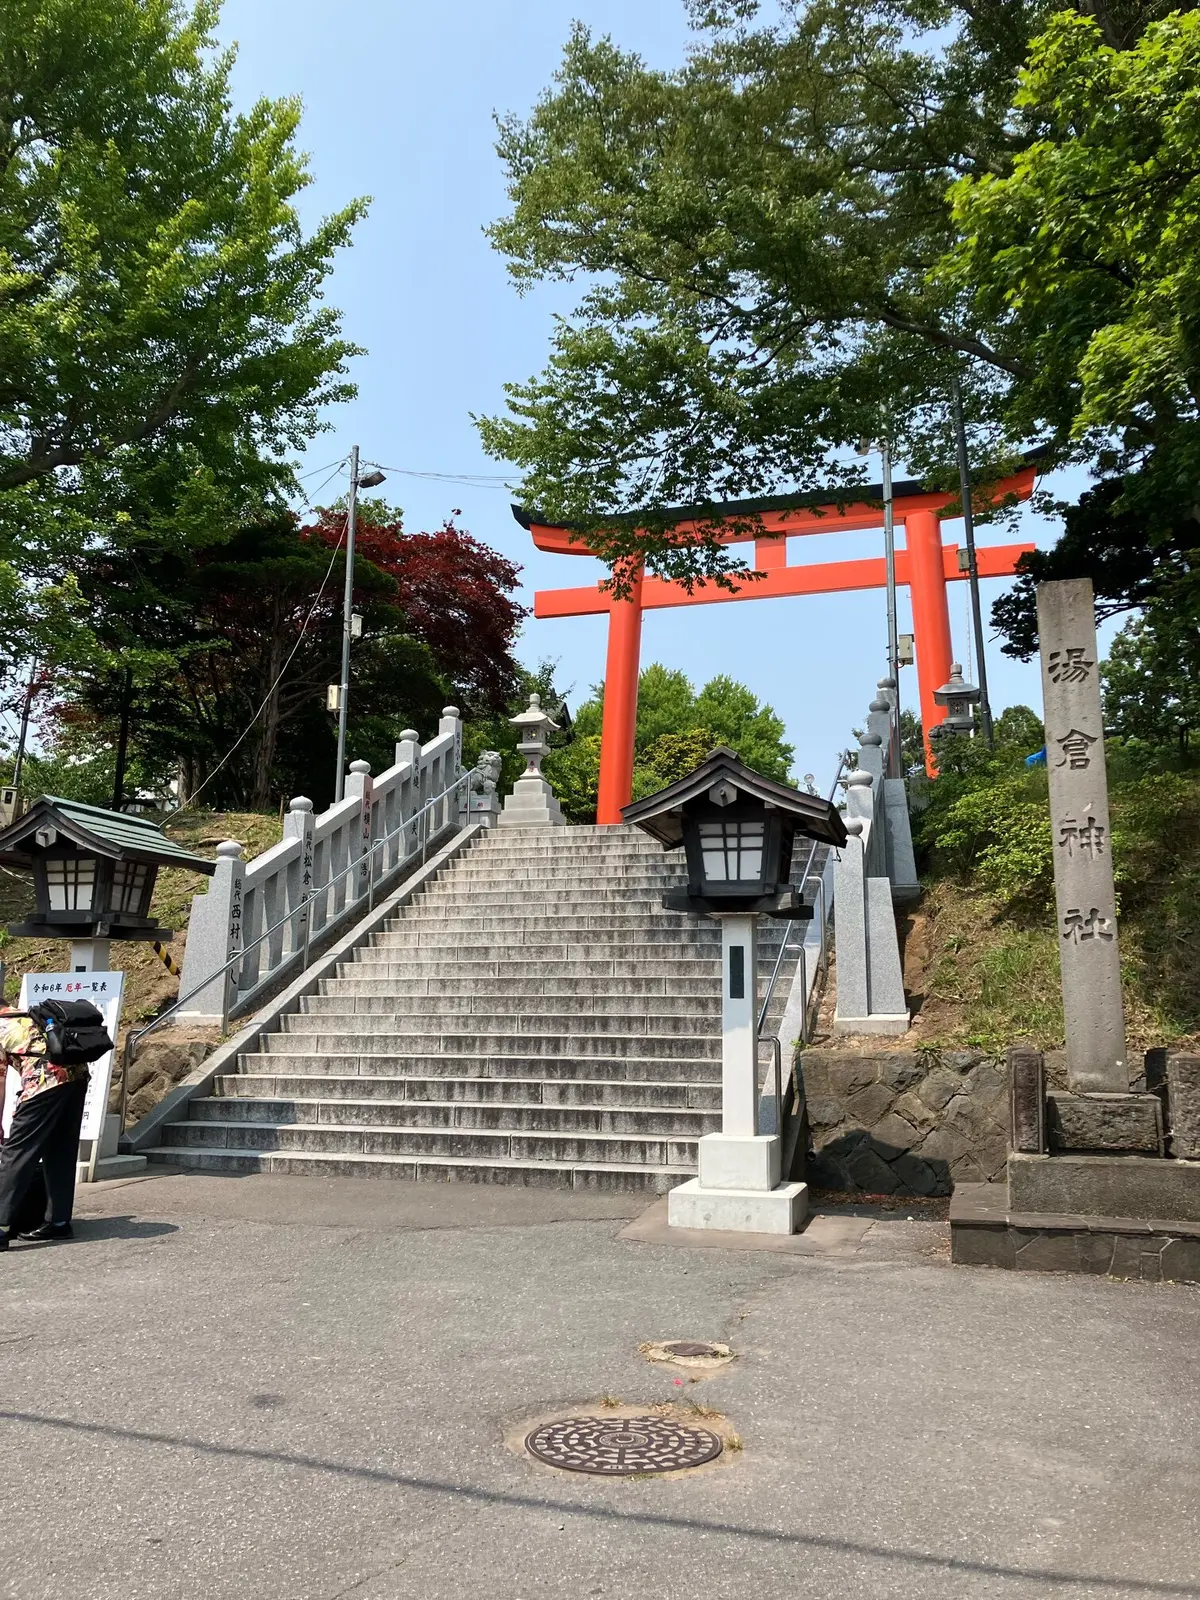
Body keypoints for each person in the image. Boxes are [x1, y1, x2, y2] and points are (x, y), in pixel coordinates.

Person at [0, 1009, 89, 1249]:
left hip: (44, 1082)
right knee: (61, 1149)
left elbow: (0, 1080)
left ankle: (1, 1227)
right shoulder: (30, 1015)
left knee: (16, 1153)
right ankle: (59, 1222)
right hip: (77, 1077)